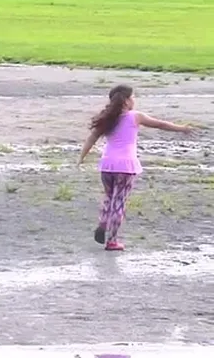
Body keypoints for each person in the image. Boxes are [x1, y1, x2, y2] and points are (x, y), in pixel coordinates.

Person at [78, 85, 193, 251]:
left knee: (109, 197)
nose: (134, 100)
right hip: (126, 166)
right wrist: (182, 129)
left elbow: (91, 139)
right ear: (126, 101)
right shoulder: (135, 117)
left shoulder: (107, 119)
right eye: (133, 97)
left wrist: (81, 158)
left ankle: (103, 223)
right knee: (119, 202)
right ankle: (112, 241)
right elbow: (160, 124)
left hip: (108, 165)